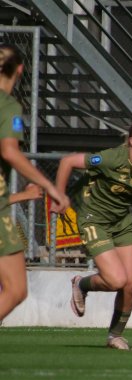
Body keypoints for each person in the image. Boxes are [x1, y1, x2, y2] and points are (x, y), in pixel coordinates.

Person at [55, 120, 132, 350]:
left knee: (131, 284)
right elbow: (68, 161)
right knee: (116, 280)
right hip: (93, 218)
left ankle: (115, 335)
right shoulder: (111, 158)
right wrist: (59, 196)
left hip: (121, 222)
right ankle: (82, 284)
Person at [0, 44, 70, 325]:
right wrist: (50, 187)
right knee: (16, 290)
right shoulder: (9, 106)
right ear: (20, 69)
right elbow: (9, 151)